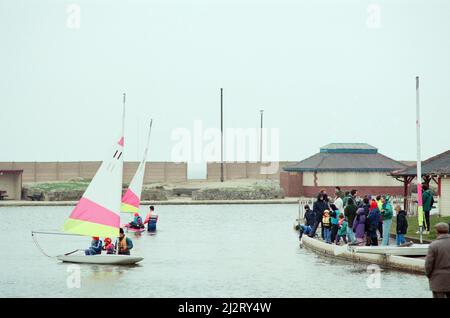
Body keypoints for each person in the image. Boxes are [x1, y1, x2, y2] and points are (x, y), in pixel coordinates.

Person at [425, 223, 450, 298]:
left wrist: (428, 275)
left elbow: (428, 264)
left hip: (438, 279)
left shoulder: (434, 245)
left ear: (437, 232)